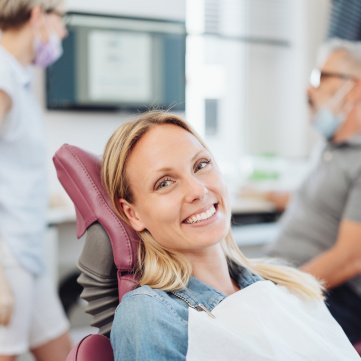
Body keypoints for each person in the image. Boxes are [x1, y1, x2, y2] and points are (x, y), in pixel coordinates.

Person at [101, 110, 359, 360]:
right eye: (165, 183)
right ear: (133, 214)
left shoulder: (289, 286)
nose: (198, 190)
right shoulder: (151, 314)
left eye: (201, 165)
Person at [265, 39, 361, 344]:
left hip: (331, 293)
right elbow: (326, 204)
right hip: (286, 275)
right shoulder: (331, 148)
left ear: (354, 88)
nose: (309, 90)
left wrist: (279, 292)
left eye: (320, 77)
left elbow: (351, 258)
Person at [0, 1, 71, 360]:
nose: (63, 32)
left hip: (28, 246)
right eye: (62, 20)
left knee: (60, 349)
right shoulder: (2, 75)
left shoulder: (18, 77)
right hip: (7, 251)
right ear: (36, 15)